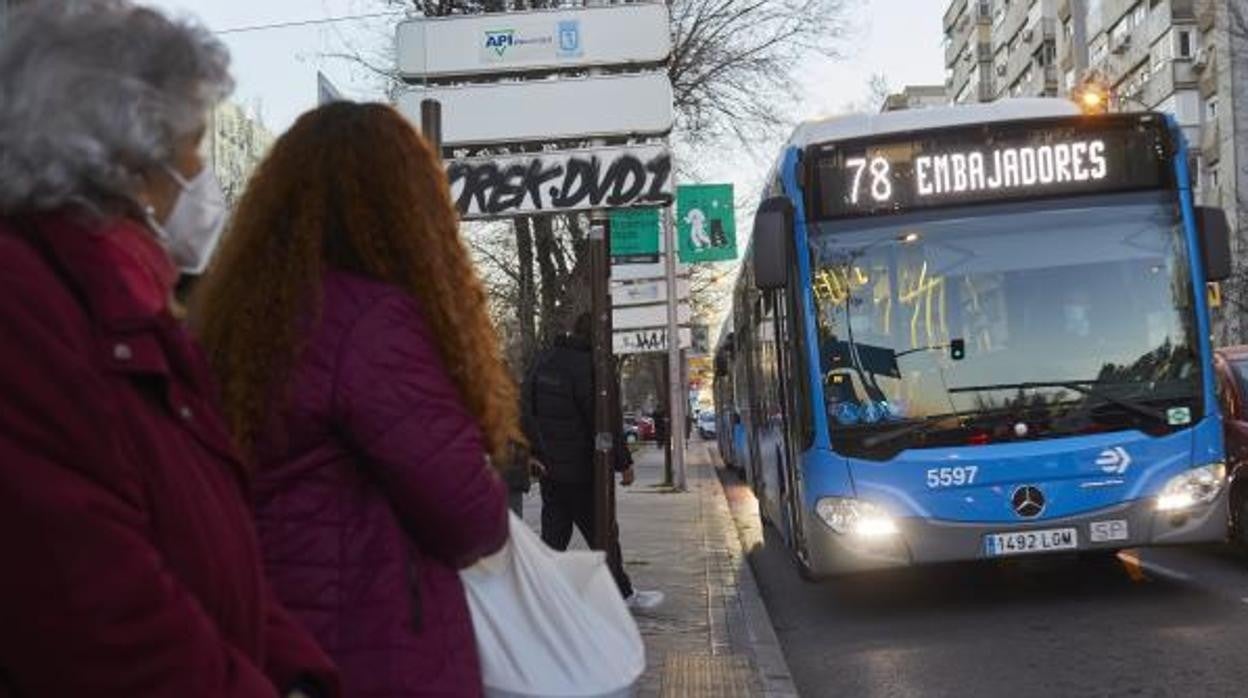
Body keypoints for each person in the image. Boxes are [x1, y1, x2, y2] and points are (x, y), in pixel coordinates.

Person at [0, 2, 338, 696]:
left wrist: (296, 672)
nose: (204, 175)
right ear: (123, 152)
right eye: (195, 143)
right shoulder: (29, 307)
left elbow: (212, 544)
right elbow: (96, 608)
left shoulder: (136, 305)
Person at [192, 102, 516, 697]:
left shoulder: (241, 319)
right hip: (371, 651)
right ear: (409, 210)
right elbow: (469, 519)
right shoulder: (372, 325)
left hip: (274, 638)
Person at [524, 313, 664, 610]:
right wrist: (622, 463)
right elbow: (604, 423)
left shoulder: (542, 360)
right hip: (582, 471)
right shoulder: (592, 368)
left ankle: (537, 598)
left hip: (550, 468)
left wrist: (534, 452)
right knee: (603, 535)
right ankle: (622, 595)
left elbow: (525, 408)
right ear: (601, 339)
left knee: (554, 536)